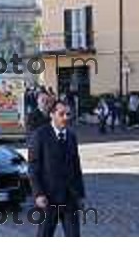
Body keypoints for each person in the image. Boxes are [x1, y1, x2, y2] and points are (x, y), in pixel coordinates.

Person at [28, 100, 86, 237]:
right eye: (62, 114)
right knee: (45, 235)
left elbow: (76, 167)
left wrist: (80, 194)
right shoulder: (40, 136)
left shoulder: (71, 136)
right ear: (52, 115)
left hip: (69, 198)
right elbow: (33, 168)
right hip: (49, 198)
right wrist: (38, 194)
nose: (66, 117)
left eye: (68, 114)